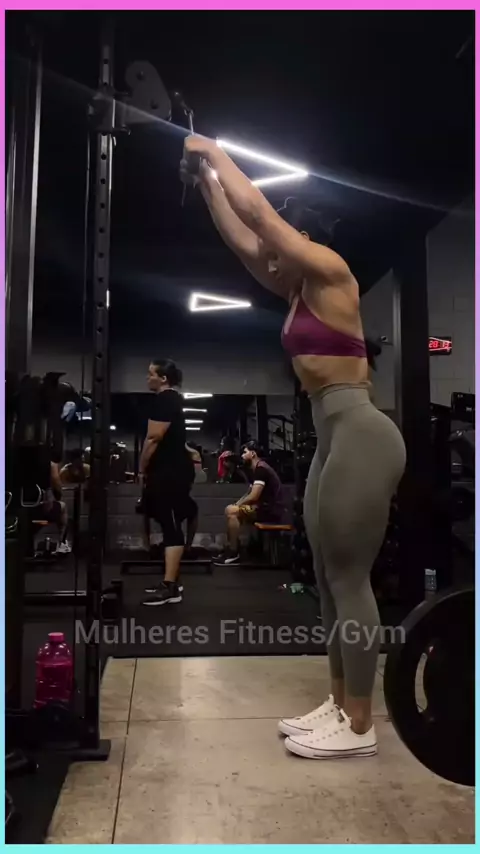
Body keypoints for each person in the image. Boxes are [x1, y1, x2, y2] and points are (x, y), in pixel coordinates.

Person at [183, 136, 406, 760]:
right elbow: (243, 239)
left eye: (280, 250)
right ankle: (339, 703)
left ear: (301, 241)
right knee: (328, 582)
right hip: (330, 434)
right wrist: (204, 181)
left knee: (349, 578)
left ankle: (360, 726)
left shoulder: (332, 271)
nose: (269, 262)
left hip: (361, 432)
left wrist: (213, 150)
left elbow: (258, 215)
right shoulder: (294, 291)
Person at [140, 359, 193, 607]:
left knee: (171, 526)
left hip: (170, 474)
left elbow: (153, 437)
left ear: (163, 378)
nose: (147, 377)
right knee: (166, 522)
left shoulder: (165, 400)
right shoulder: (170, 400)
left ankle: (170, 587)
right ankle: (173, 580)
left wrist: (141, 467)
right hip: (170, 472)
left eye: (150, 374)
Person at [214, 441, 287, 566]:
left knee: (232, 512)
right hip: (264, 508)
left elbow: (254, 496)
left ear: (253, 454)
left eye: (245, 452)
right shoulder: (257, 469)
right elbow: (249, 493)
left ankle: (233, 552)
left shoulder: (261, 469)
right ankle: (233, 547)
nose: (242, 456)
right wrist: (237, 504)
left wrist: (236, 506)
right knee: (231, 510)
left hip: (270, 510)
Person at [37, 462, 71, 554]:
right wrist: (59, 493)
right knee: (63, 506)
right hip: (42, 507)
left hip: (22, 506)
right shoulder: (51, 464)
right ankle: (62, 542)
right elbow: (56, 482)